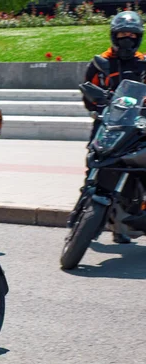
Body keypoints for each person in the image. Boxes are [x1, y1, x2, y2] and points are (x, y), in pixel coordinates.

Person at [82, 10, 145, 244]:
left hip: (136, 127)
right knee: (94, 170)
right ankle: (83, 215)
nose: (126, 39)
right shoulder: (102, 63)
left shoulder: (144, 63)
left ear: (138, 37)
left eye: (131, 34)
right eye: (122, 34)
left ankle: (123, 225)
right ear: (113, 36)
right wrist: (96, 101)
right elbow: (88, 93)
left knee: (135, 175)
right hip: (107, 124)